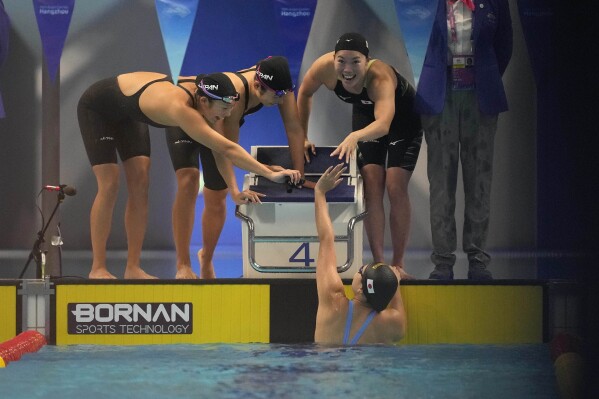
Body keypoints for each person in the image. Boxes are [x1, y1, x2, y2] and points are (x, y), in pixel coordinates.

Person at [77, 72, 301, 279]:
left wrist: (236, 189)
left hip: (128, 112)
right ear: (204, 102)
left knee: (140, 182)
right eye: (224, 109)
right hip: (99, 108)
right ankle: (98, 267)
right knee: (110, 183)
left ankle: (132, 268)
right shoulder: (182, 109)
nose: (228, 114)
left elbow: (221, 150)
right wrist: (267, 173)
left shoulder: (204, 96)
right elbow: (228, 149)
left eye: (231, 108)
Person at [166, 56, 307, 279]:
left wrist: (299, 174)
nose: (281, 101)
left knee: (216, 195)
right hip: (187, 114)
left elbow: (294, 128)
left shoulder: (281, 86)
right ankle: (183, 264)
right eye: (277, 96)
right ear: (258, 86)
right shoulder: (235, 97)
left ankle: (207, 258)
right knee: (188, 180)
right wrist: (236, 190)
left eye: (284, 94)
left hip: (217, 120)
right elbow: (225, 149)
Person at [297, 33, 422, 279]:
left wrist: (354, 137)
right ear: (333, 59)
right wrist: (302, 136)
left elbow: (385, 124)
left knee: (395, 186)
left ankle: (398, 265)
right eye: (341, 61)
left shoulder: (380, 78)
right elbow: (304, 93)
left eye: (355, 61)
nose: (347, 69)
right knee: (371, 186)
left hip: (403, 121)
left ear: (367, 61)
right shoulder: (323, 68)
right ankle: (379, 266)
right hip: (366, 114)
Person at [415, 0, 512, 280]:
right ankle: (443, 261)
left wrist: (486, 74)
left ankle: (478, 259)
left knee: (479, 179)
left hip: (479, 93)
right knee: (441, 181)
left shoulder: (494, 2)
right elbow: (417, 43)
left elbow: (505, 44)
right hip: (440, 92)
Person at [314, 164, 406, 345]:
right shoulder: (393, 325)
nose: (359, 269)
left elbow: (326, 239)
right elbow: (393, 296)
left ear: (362, 288)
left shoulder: (333, 301)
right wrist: (394, 282)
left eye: (361, 270)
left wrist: (320, 192)